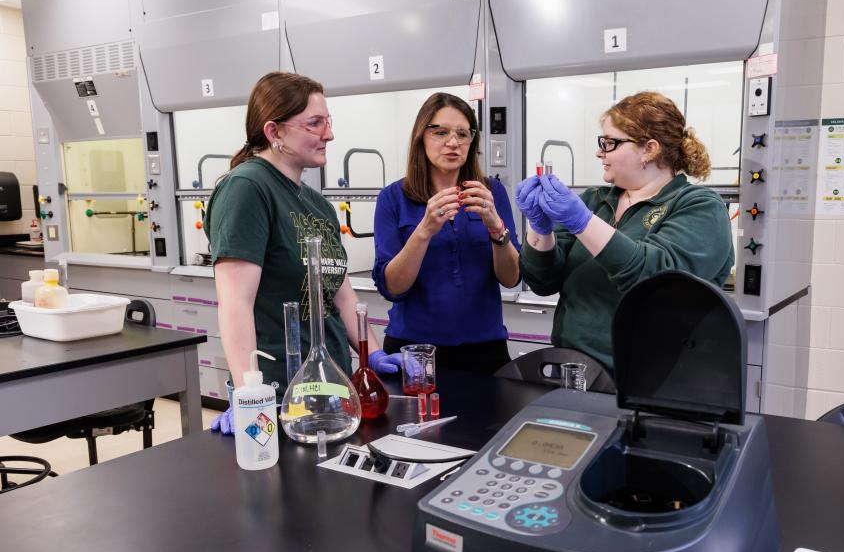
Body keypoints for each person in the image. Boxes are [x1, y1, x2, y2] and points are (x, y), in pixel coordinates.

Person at [205, 72, 401, 434]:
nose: (329, 134)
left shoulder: (317, 204)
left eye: (328, 122)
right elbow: (235, 302)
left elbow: (341, 295)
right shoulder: (247, 188)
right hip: (280, 395)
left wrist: (370, 354)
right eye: (315, 123)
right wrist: (250, 395)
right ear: (274, 132)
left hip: (332, 387)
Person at [517, 91, 734, 371]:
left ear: (650, 149)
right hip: (572, 369)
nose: (599, 152)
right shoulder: (595, 200)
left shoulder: (700, 206)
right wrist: (540, 228)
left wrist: (582, 222)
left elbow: (655, 280)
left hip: (647, 379)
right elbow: (542, 281)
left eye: (610, 143)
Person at [373, 93, 521, 374]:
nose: (453, 142)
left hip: (485, 349)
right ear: (421, 137)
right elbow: (393, 287)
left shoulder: (491, 192)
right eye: (440, 132)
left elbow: (511, 278)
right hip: (414, 351)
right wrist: (424, 230)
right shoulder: (393, 198)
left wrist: (496, 227)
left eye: (462, 134)